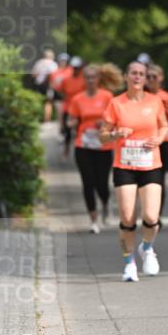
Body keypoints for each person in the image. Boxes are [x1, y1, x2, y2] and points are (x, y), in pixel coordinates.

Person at [100, 59, 168, 281]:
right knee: (127, 218)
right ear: (126, 77)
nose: (138, 77)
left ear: (146, 77)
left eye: (142, 73)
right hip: (125, 166)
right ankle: (129, 262)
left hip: (150, 164)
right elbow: (103, 136)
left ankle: (147, 248)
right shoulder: (116, 103)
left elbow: (164, 126)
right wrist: (114, 135)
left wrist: (158, 139)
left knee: (151, 216)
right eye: (134, 73)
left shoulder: (155, 101)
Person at [67, 66, 114, 233]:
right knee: (88, 182)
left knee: (102, 183)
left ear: (98, 79)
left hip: (103, 145)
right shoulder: (77, 99)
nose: (90, 80)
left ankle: (106, 204)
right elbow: (71, 120)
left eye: (93, 77)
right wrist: (72, 123)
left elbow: (115, 119)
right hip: (84, 144)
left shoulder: (107, 96)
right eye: (87, 77)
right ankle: (93, 219)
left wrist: (105, 124)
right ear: (84, 79)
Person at [145, 63, 168, 216]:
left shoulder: (166, 97)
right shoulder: (141, 95)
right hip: (145, 141)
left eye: (154, 77)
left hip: (162, 142)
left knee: (159, 179)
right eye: (147, 77)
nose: (150, 80)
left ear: (161, 78)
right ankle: (148, 211)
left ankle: (157, 214)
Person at [60, 56, 86, 158]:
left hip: (80, 109)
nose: (75, 70)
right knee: (67, 130)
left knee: (80, 129)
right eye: (74, 68)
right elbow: (61, 91)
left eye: (77, 68)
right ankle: (66, 149)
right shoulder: (66, 79)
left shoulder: (83, 80)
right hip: (68, 108)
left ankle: (80, 149)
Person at [47, 52, 71, 127]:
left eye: (64, 61)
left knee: (70, 113)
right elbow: (51, 83)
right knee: (60, 113)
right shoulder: (54, 72)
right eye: (61, 60)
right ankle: (61, 127)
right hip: (58, 95)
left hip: (69, 95)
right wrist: (50, 92)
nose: (63, 62)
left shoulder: (71, 71)